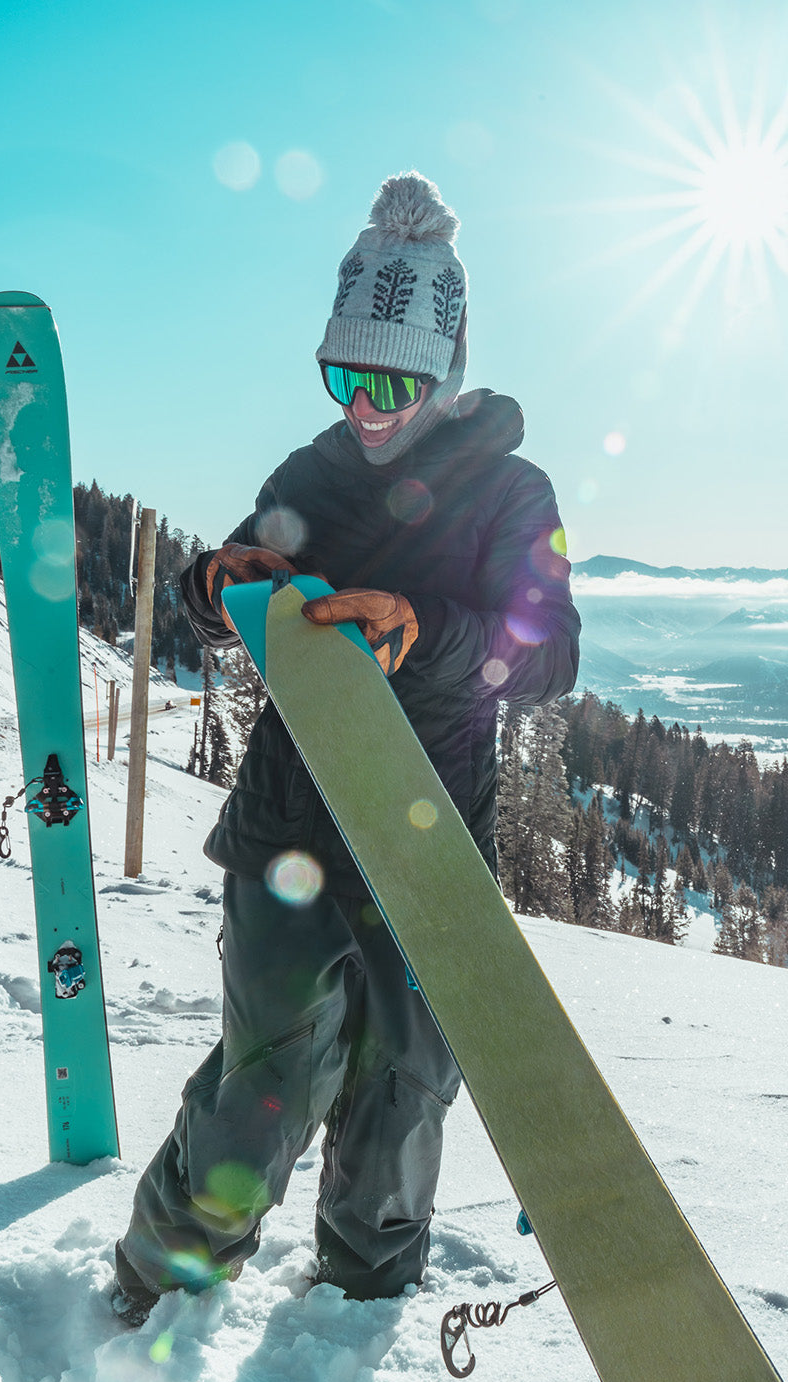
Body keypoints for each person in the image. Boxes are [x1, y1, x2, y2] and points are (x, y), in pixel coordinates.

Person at [112, 172, 581, 1323]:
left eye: (390, 379)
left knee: (403, 1090)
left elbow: (551, 653)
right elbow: (214, 591)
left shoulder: (514, 494)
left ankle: (359, 1308)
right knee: (263, 1082)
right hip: (290, 823)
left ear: (447, 360)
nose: (364, 406)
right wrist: (216, 585)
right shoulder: (309, 475)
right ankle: (154, 1289)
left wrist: (423, 634)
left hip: (429, 838)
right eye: (342, 375)